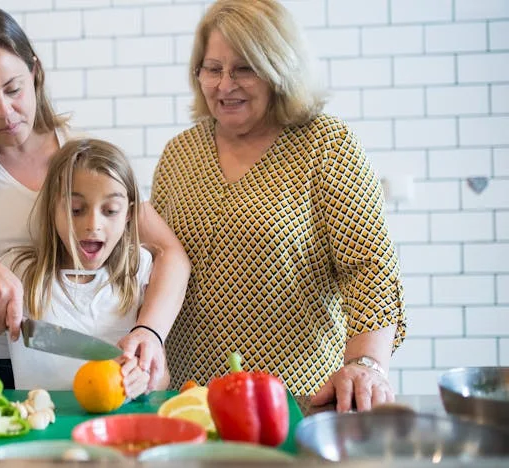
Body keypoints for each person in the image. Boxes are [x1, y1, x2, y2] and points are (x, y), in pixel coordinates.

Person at [0, 6, 189, 396]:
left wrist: (149, 332)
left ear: (35, 71)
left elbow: (170, 253)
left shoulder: (79, 159)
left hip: (53, 364)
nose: (5, 112)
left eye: (13, 89)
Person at [151, 0, 407, 412]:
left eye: (244, 69)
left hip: (296, 398)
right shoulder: (179, 154)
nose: (224, 85)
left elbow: (370, 267)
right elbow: (153, 260)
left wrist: (366, 364)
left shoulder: (326, 145)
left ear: (278, 69)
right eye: (212, 69)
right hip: (189, 397)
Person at [0, 139, 168, 398]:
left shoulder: (139, 269)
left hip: (119, 419)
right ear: (52, 208)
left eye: (110, 210)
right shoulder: (19, 271)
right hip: (41, 417)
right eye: (76, 210)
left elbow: (163, 378)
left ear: (128, 214)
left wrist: (144, 377)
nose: (93, 224)